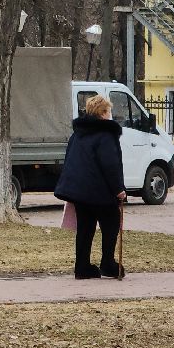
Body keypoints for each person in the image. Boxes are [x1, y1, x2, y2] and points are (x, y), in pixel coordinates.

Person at [53, 93, 127, 279]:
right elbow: (110, 165)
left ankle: (82, 266)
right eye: (108, 110)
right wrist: (119, 189)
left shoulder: (78, 134)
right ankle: (108, 264)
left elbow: (70, 159)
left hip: (80, 192)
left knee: (85, 228)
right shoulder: (106, 135)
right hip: (100, 191)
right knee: (111, 224)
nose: (110, 114)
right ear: (103, 113)